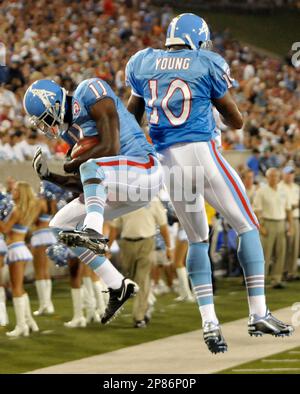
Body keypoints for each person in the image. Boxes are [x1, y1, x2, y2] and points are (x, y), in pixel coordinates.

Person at [125, 13, 294, 353]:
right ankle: (258, 312)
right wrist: (216, 113)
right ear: (197, 38)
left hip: (168, 163)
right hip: (202, 154)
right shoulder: (205, 61)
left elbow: (132, 118)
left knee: (197, 239)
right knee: (247, 226)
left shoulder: (143, 61)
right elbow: (236, 119)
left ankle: (209, 323)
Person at [23, 78, 163, 324]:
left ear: (53, 104)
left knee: (90, 166)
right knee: (59, 225)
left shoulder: (90, 91)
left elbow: (110, 146)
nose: (45, 126)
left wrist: (71, 163)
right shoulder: (69, 131)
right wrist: (50, 176)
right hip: (122, 187)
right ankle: (117, 285)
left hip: (145, 170)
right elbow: (85, 183)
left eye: (44, 118)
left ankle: (93, 232)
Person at [109, 197, 172, 328]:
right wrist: (107, 247)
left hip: (147, 242)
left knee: (142, 279)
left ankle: (139, 318)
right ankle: (149, 301)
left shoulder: (153, 200)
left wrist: (169, 247)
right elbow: (115, 226)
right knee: (131, 280)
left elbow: (163, 225)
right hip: (126, 244)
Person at [0, 182, 39, 337]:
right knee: (19, 288)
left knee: (16, 288)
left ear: (21, 193)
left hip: (15, 250)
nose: (13, 192)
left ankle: (21, 326)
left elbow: (5, 230)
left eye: (16, 190)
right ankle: (30, 322)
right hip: (20, 247)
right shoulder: (27, 209)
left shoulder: (16, 211)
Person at [253, 168, 293, 288]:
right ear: (267, 177)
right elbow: (256, 210)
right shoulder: (261, 191)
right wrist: (261, 226)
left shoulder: (283, 191)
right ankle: (261, 280)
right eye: (271, 176)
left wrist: (291, 226)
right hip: (267, 223)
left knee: (281, 253)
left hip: (281, 223)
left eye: (276, 176)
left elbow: (288, 209)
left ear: (279, 177)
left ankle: (277, 279)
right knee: (265, 254)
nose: (274, 178)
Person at [30, 181, 57, 316]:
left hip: (40, 236)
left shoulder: (40, 203)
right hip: (49, 236)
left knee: (39, 271)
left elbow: (32, 219)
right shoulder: (52, 203)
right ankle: (48, 304)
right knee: (45, 271)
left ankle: (44, 305)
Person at [279, 167, 300, 281]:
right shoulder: (280, 187)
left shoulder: (296, 187)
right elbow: (283, 205)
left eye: (291, 174)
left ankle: (292, 271)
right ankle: (283, 271)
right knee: (285, 246)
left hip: (296, 218)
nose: (290, 176)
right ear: (283, 174)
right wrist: (294, 206)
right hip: (285, 219)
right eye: (287, 174)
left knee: (295, 246)